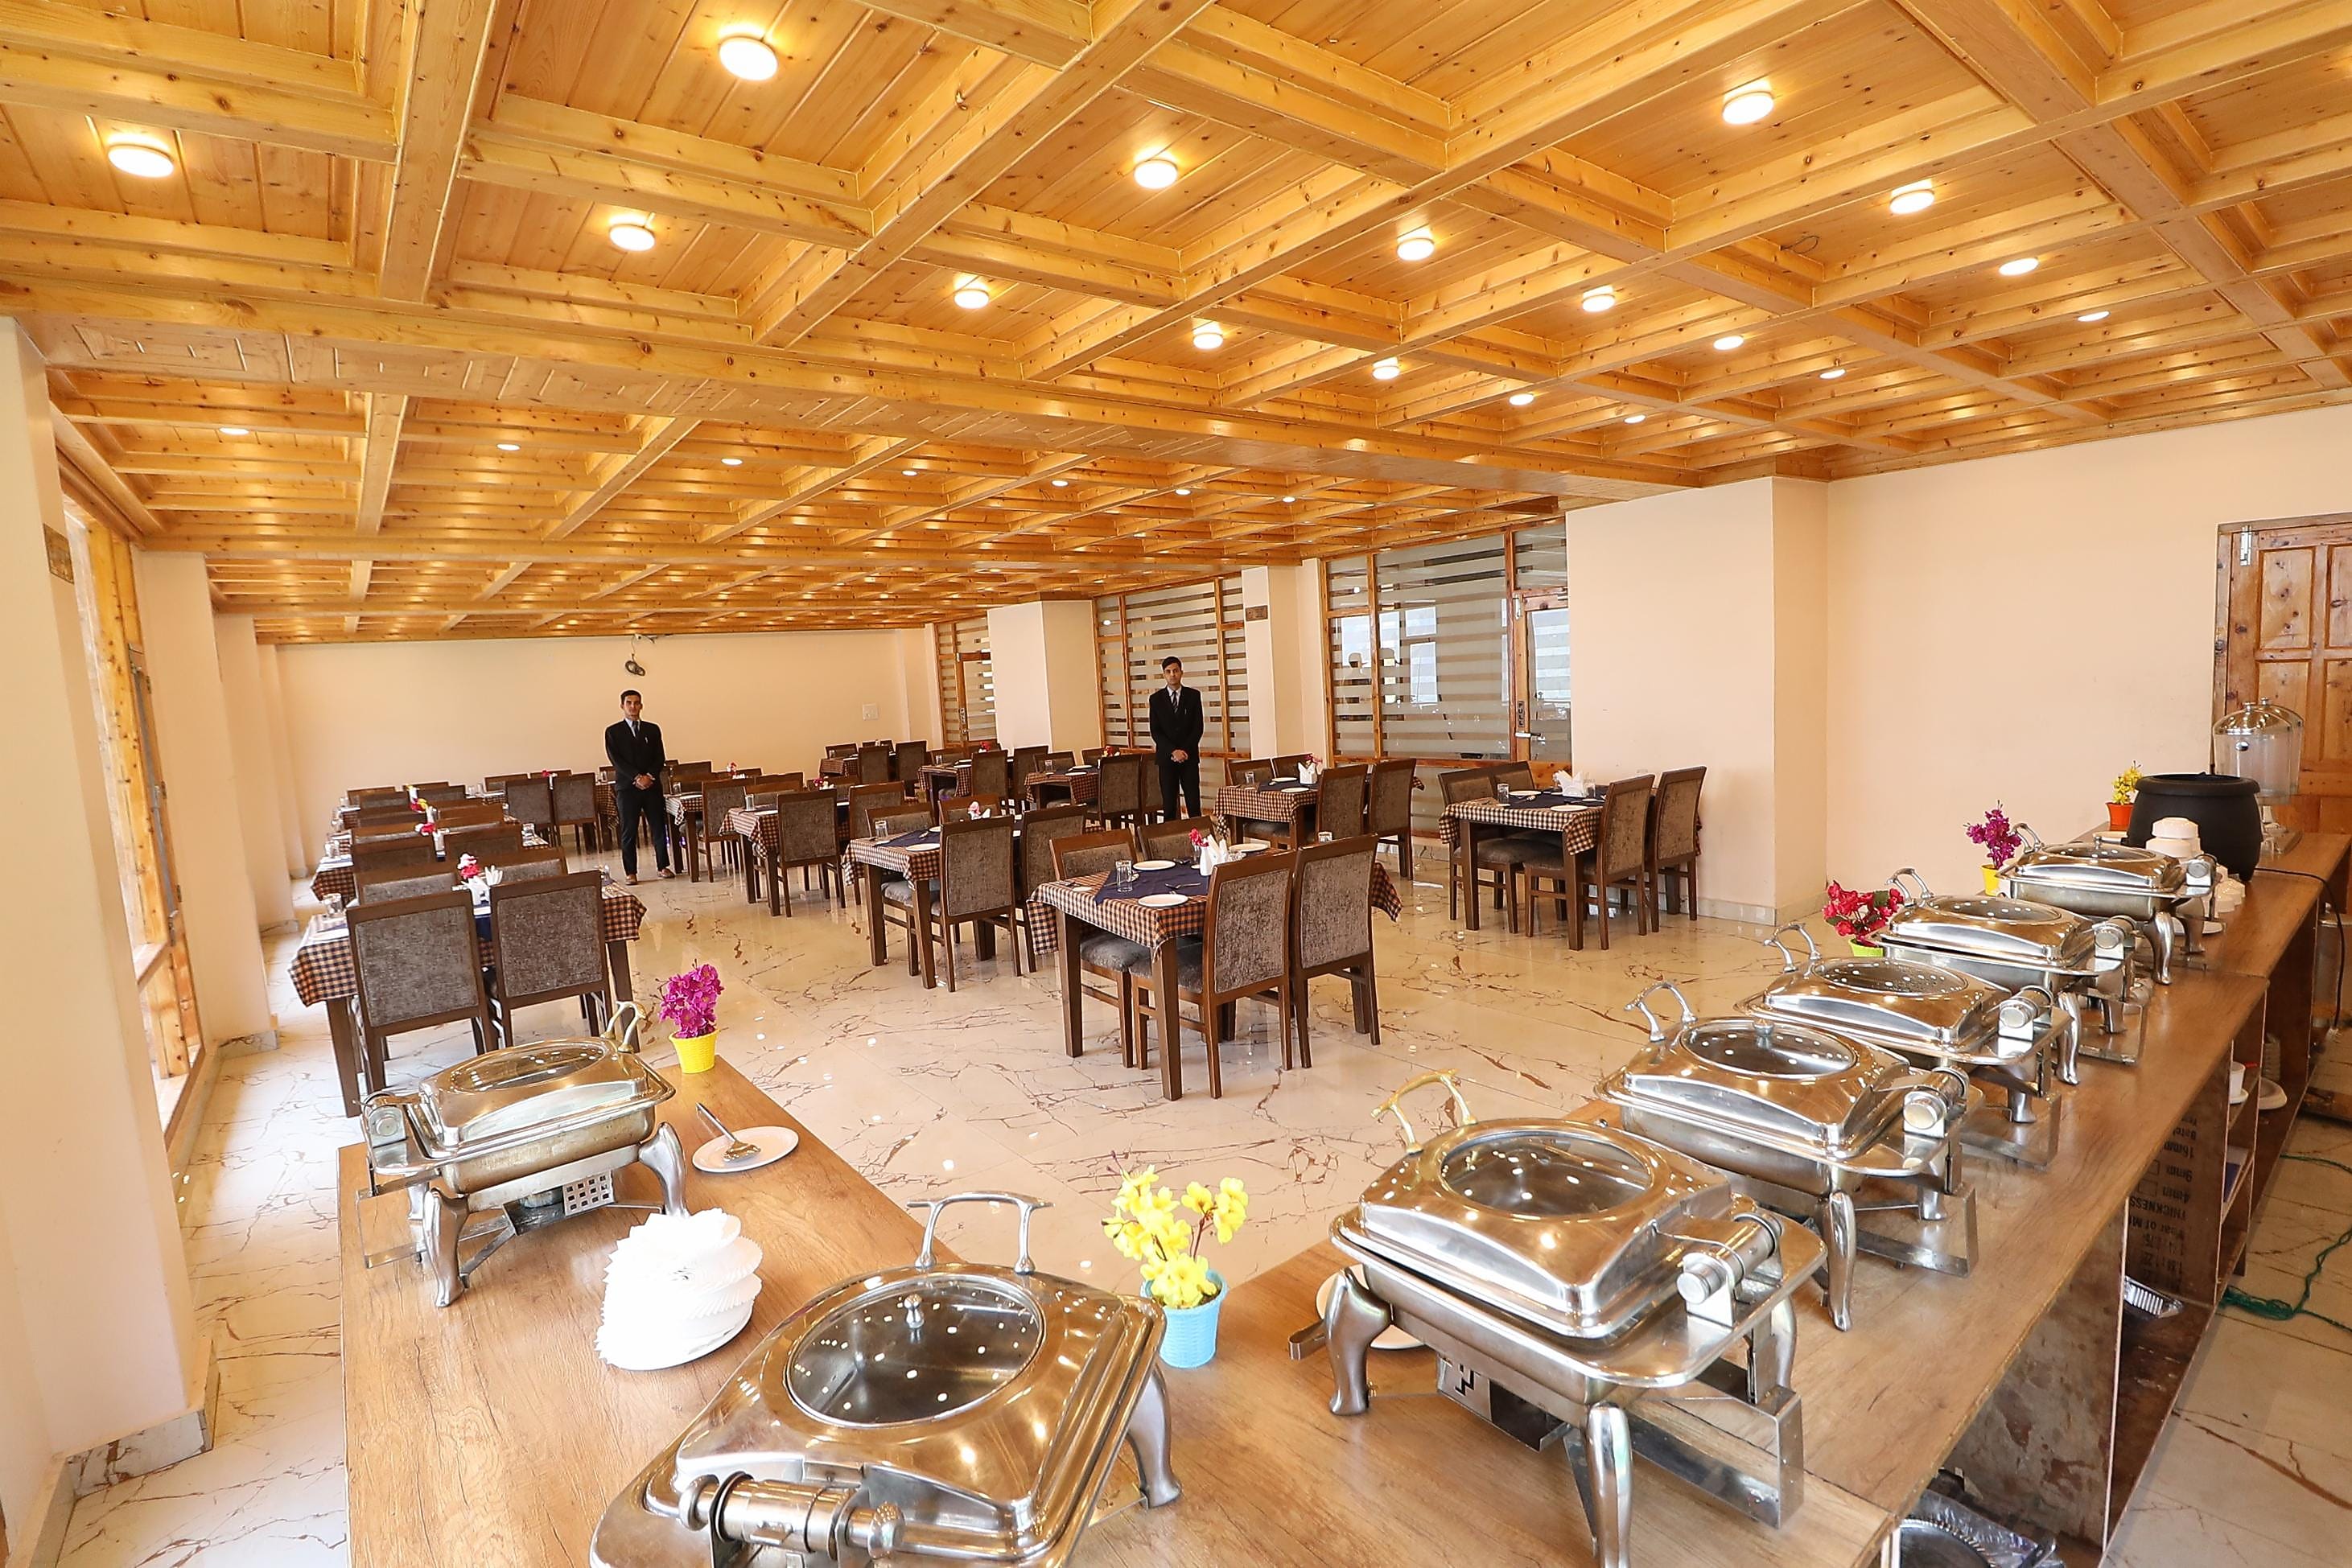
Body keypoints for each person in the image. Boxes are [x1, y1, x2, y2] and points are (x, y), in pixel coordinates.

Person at [604, 689, 673, 883]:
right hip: (627, 788)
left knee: (659, 827)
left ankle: (663, 866)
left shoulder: (653, 729)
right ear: (622, 706)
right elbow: (616, 760)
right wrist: (636, 777)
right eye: (629, 703)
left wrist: (649, 776)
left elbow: (659, 757)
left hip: (652, 786)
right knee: (629, 831)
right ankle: (631, 872)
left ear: (641, 705)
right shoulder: (613, 732)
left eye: (636, 703)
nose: (633, 706)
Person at [1149, 656, 1204, 820]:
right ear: (1164, 675)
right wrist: (1173, 751)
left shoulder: (1193, 696)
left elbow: (1198, 728)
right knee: (1169, 806)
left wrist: (1183, 751)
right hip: (1167, 759)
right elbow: (1155, 731)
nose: (1172, 674)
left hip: (1189, 757)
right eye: (1168, 672)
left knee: (1193, 804)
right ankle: (1171, 836)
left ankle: (1198, 835)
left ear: (1181, 672)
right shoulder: (1156, 700)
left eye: (1175, 671)